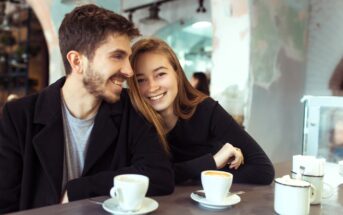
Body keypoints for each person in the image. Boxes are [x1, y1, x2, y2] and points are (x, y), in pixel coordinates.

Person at [0, 5, 174, 213]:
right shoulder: (18, 117)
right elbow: (5, 202)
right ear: (76, 61)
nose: (129, 71)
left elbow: (160, 175)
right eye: (117, 56)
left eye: (128, 57)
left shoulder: (132, 110)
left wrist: (79, 189)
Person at [127, 37, 275, 184]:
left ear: (177, 73)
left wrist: (186, 175)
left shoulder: (206, 110)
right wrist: (213, 162)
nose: (152, 87)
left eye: (160, 74)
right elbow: (145, 177)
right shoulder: (136, 120)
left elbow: (263, 170)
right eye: (141, 80)